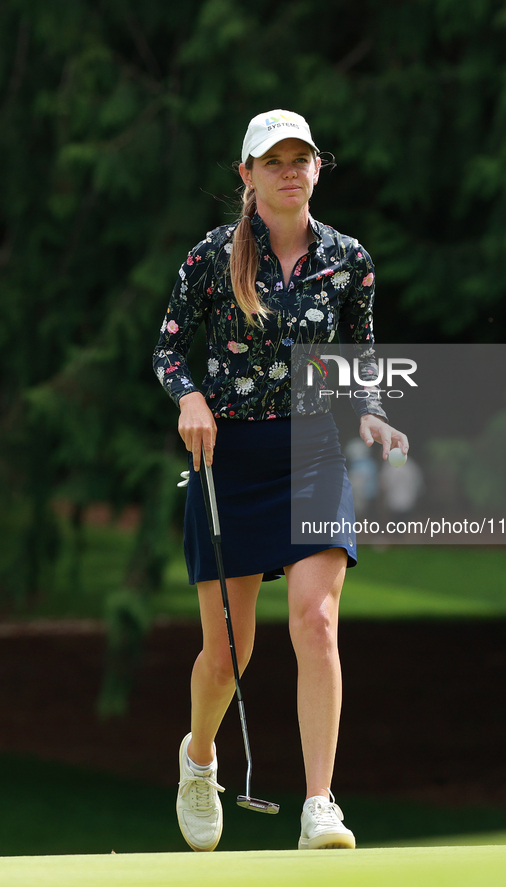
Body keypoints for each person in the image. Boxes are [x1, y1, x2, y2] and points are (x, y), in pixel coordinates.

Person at [153, 109, 409, 852]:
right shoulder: (210, 257)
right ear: (248, 176)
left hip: (311, 451)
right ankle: (199, 757)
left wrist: (372, 413)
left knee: (316, 621)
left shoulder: (349, 260)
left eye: (302, 158)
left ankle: (319, 803)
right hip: (227, 458)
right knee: (227, 652)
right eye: (274, 161)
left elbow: (360, 360)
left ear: (318, 169)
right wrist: (190, 397)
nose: (290, 170)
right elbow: (169, 351)